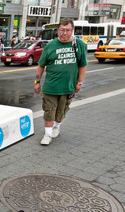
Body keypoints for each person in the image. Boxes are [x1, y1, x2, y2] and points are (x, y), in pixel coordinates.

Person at [34, 18, 87, 146]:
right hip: (51, 86)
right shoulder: (50, 45)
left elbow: (83, 65)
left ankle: (56, 127)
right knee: (49, 110)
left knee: (62, 110)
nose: (64, 33)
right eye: (62, 30)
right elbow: (41, 65)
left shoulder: (79, 44)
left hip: (68, 86)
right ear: (58, 31)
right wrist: (37, 82)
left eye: (68, 30)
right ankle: (47, 134)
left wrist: (79, 82)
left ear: (72, 31)